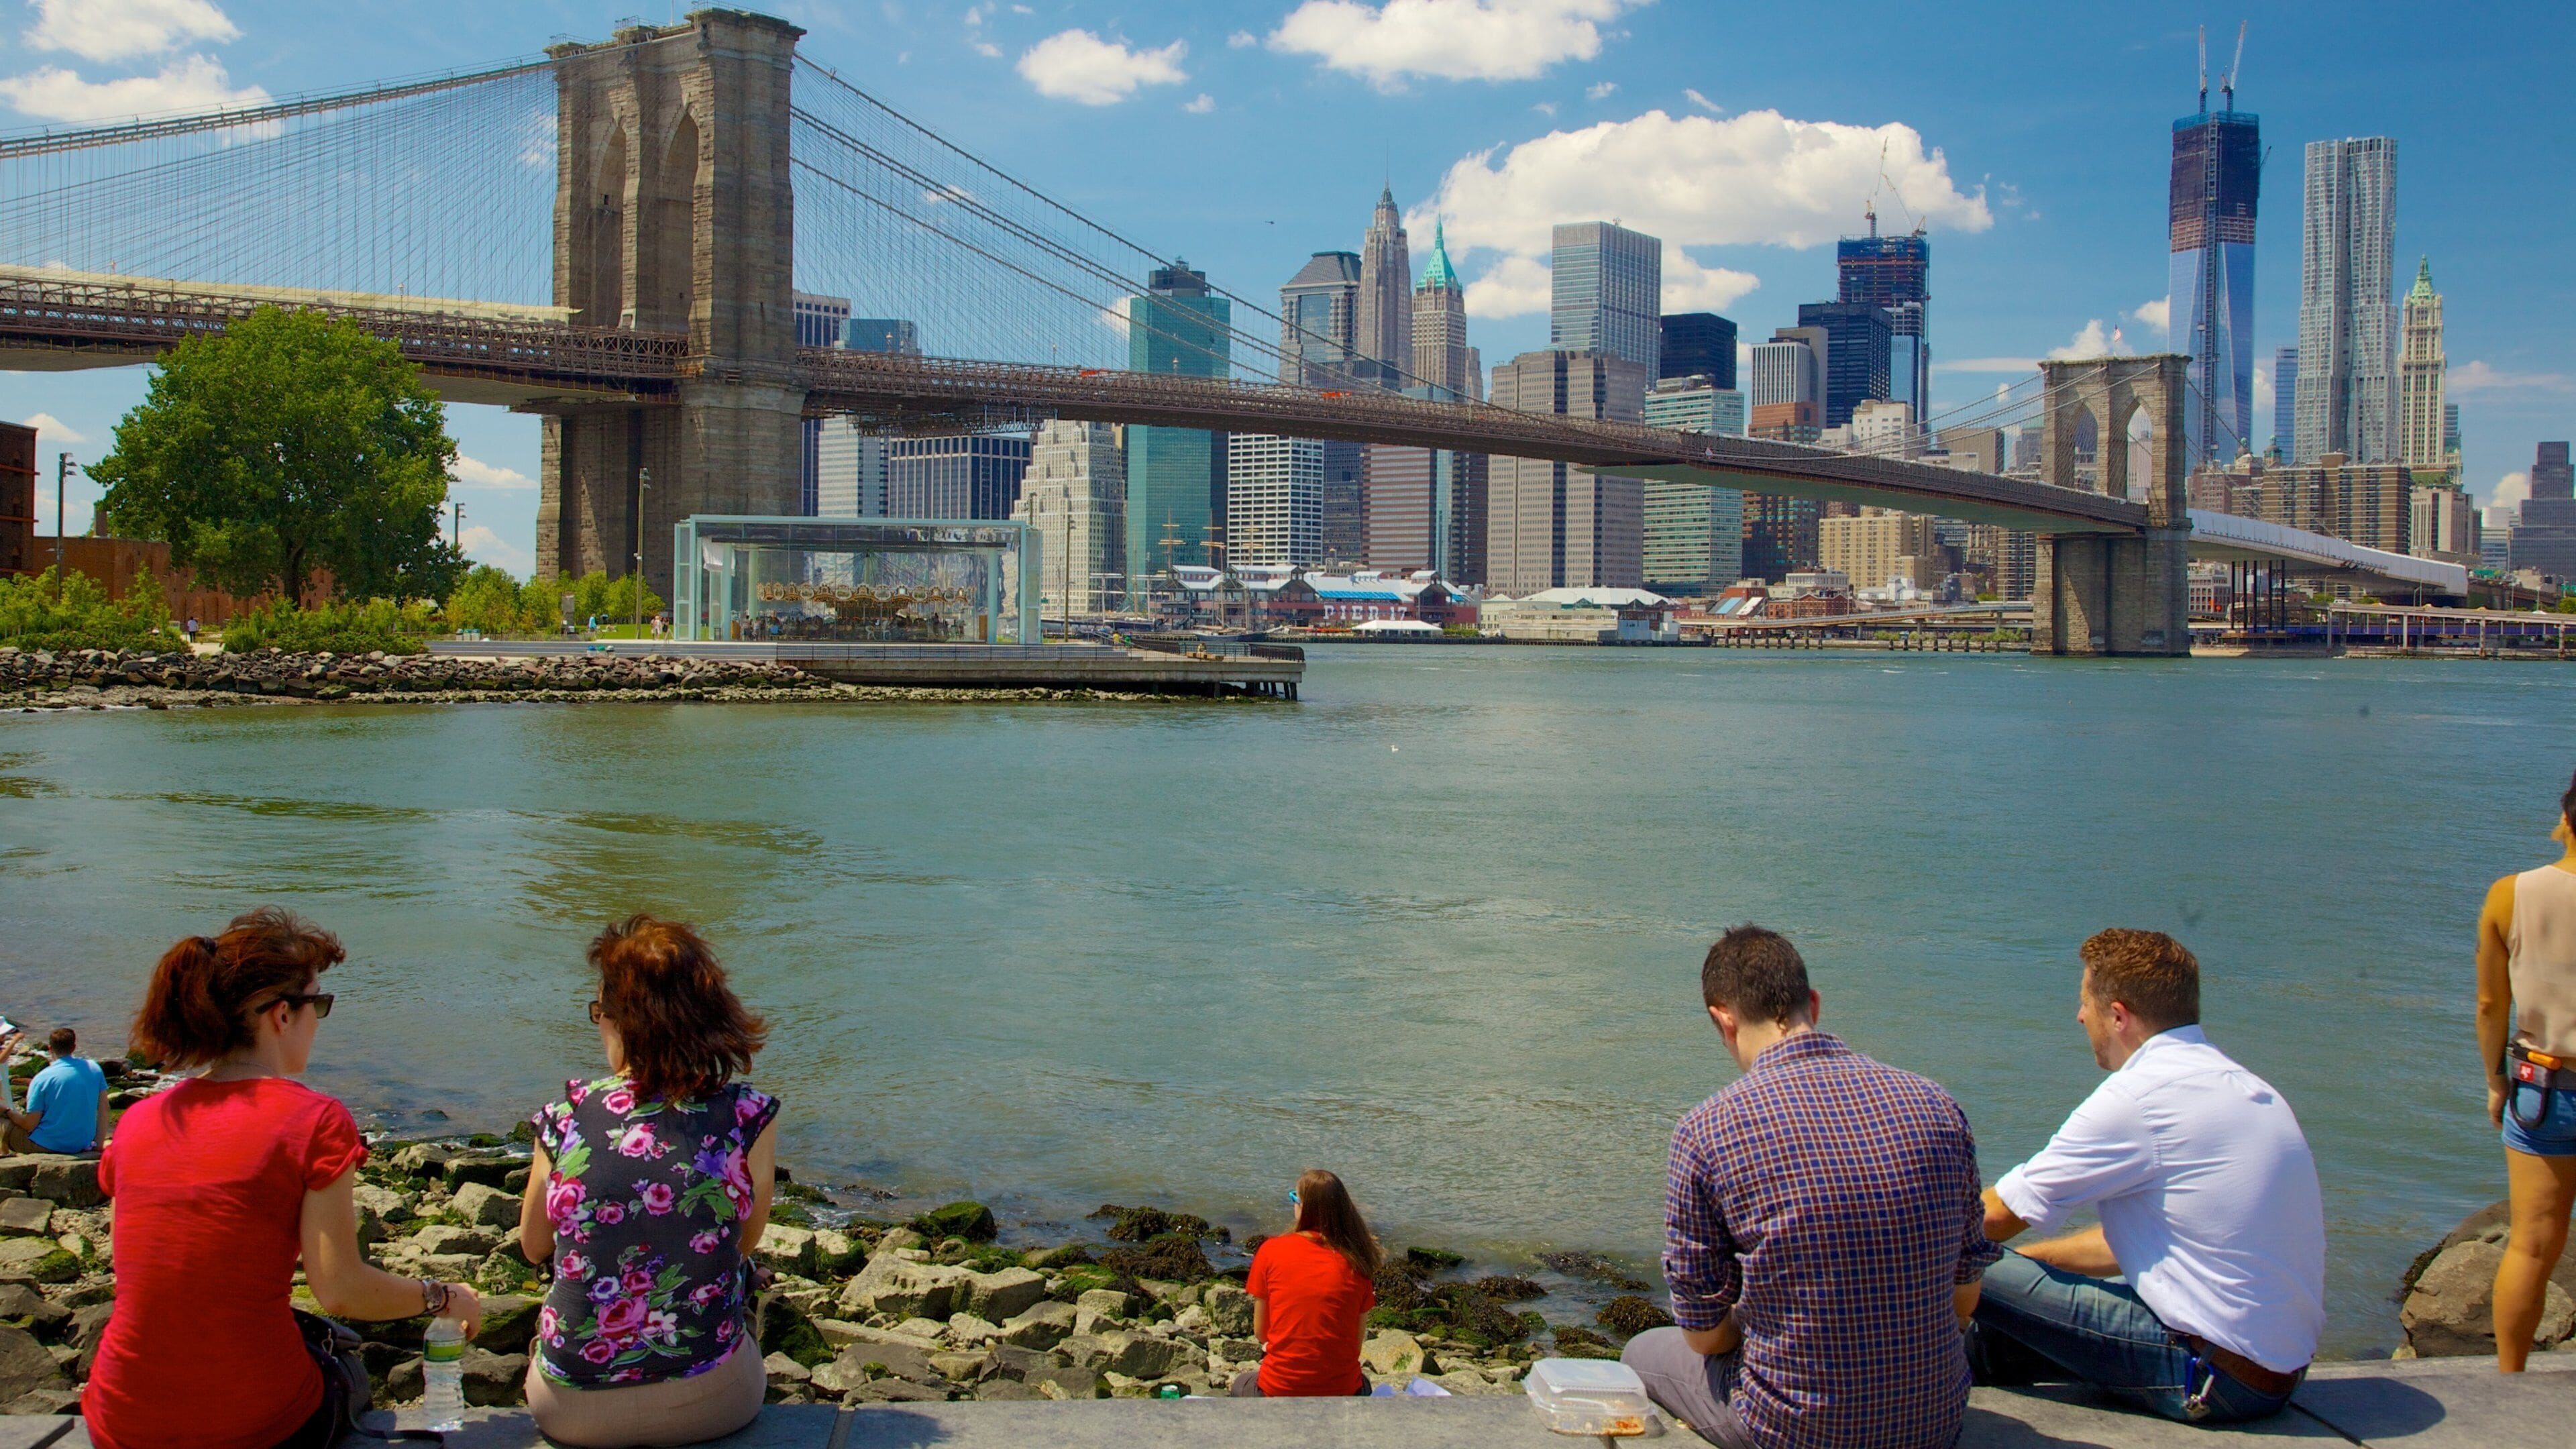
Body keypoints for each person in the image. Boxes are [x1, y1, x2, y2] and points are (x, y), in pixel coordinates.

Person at [85, 908, 484, 1449]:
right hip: (248, 1423)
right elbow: (341, 1290)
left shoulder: (138, 1122)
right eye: (318, 1003)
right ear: (280, 1015)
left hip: (120, 1417)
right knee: (347, 1373)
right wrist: (441, 1296)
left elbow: (151, 1274)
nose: (320, 1017)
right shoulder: (314, 1120)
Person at [1624, 926, 1996, 1449]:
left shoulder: (1707, 1129)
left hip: (1795, 1431)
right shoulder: (1936, 1105)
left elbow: (1704, 1335)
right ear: (1814, 1004)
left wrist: (1757, 1319)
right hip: (1933, 1423)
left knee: (1641, 1351)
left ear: (1721, 1019)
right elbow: (1964, 1298)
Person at [1972, 928, 2322, 1423]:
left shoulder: (2139, 1098)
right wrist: (2027, 1271)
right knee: (1998, 1329)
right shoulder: (2246, 1087)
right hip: (2274, 1375)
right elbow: (2155, 1244)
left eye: (2084, 1005)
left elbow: (1991, 1220)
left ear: (2118, 1016)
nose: (2078, 1017)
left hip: (2209, 1379)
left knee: (1935, 1245)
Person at [518, 916, 777, 1447]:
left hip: (569, 1409)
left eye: (600, 1013)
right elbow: (741, 1243)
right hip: (713, 1403)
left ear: (623, 1021)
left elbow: (532, 1245)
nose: (598, 1026)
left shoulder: (567, 1116)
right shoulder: (748, 1115)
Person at [2478, 768, 2576, 1371]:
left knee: (2532, 1244)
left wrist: (2496, 1081)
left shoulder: (2510, 894)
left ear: (2566, 819)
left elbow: (2492, 1005)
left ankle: (2508, 1384)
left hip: (2544, 1085)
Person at [1232, 1169, 1380, 1397]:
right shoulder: (1357, 1261)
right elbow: (1355, 1344)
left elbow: (1262, 1332)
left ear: (1303, 1207)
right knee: (1365, 1384)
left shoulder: (1272, 1251)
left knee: (1241, 1383)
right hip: (1343, 1391)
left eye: (1294, 1198)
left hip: (1279, 1388)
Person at [3, 1026, 109, 1155]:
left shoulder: (42, 1078)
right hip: (81, 1144)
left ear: (50, 1049)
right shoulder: (94, 1069)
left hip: (48, 1146)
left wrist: (7, 1111)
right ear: (74, 1047)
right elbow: (104, 1108)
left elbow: (30, 1124)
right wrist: (98, 1144)